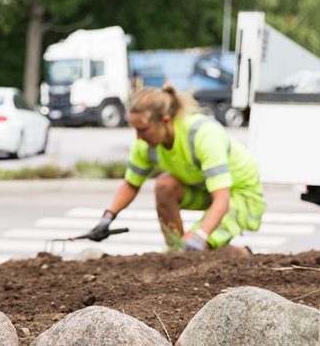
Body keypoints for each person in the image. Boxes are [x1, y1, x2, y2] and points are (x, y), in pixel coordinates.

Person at [86, 86, 263, 254]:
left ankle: (239, 255)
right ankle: (177, 251)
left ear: (165, 120)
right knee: (164, 185)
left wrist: (199, 237)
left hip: (240, 195)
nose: (138, 137)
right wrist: (107, 218)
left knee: (196, 249)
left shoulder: (202, 134)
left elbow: (222, 198)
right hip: (207, 191)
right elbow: (132, 184)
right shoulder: (146, 144)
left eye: (143, 129)